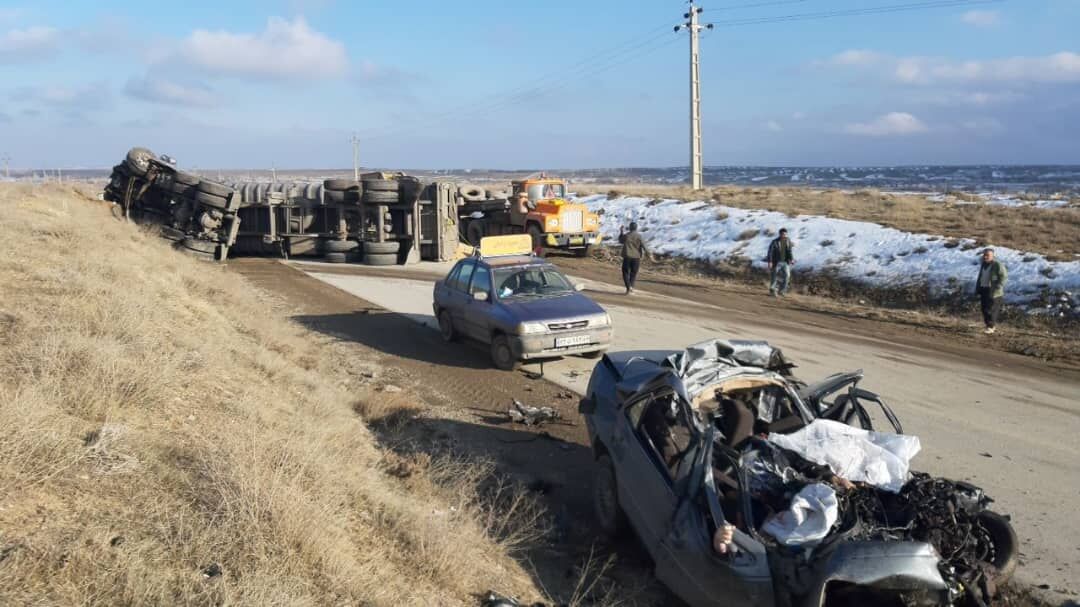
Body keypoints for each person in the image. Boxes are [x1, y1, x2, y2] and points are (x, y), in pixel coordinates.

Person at [974, 248, 1007, 334]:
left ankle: (991, 327)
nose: (985, 257)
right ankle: (989, 325)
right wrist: (978, 288)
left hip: (994, 291)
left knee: (992, 310)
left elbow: (1004, 276)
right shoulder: (983, 264)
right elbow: (980, 277)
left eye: (987, 255)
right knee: (984, 309)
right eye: (984, 255)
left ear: (992, 256)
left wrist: (999, 286)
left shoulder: (997, 265)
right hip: (984, 289)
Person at [618, 222, 648, 294]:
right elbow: (644, 246)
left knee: (625, 272)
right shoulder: (639, 236)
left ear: (630, 227)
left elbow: (620, 241)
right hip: (636, 258)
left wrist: (621, 231)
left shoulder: (626, 235)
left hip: (627, 257)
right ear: (636, 228)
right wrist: (648, 254)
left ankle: (628, 287)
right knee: (633, 273)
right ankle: (631, 286)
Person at [766, 228, 795, 297]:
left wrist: (792, 259)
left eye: (785, 234)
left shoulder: (788, 241)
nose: (784, 235)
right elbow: (770, 252)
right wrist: (770, 262)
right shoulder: (774, 242)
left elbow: (789, 251)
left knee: (787, 276)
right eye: (782, 234)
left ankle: (781, 291)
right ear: (780, 234)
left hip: (785, 262)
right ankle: (772, 291)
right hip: (776, 262)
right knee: (774, 276)